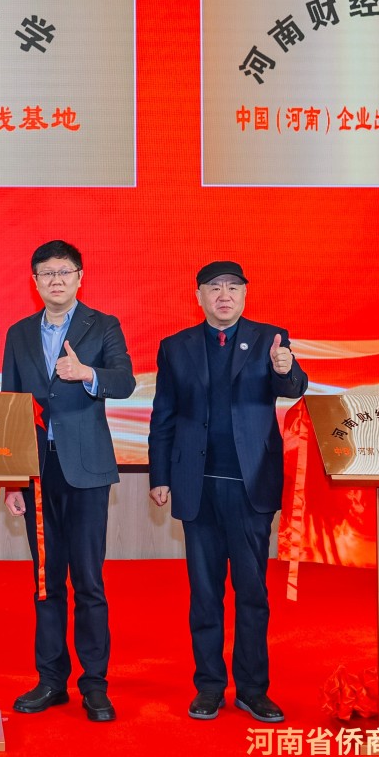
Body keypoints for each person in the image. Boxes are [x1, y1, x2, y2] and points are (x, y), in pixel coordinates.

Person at [148, 260, 307, 724]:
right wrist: (160, 475)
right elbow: (164, 414)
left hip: (249, 485)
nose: (224, 295)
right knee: (205, 593)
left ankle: (253, 689)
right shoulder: (175, 347)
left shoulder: (270, 338)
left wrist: (287, 367)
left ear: (244, 294)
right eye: (214, 287)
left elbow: (292, 387)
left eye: (233, 287)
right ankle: (209, 686)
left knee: (252, 592)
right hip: (196, 485)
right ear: (198, 295)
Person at [1, 240, 135, 723]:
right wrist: (12, 479)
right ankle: (51, 680)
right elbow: (11, 404)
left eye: (64, 272)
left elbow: (125, 382)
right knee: (45, 579)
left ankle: (94, 684)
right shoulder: (19, 333)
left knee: (89, 580)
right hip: (38, 469)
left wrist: (87, 373)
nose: (55, 280)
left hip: (87, 469)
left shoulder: (104, 325)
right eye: (46, 273)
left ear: (80, 277)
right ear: (34, 281)